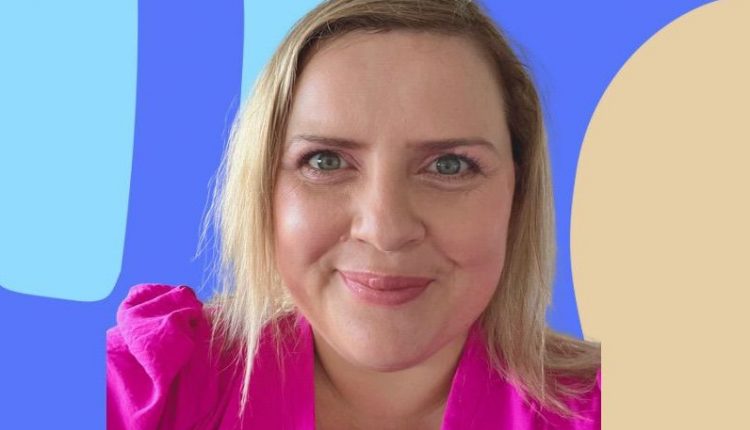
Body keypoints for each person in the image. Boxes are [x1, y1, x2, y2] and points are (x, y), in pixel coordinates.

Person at [106, 0, 601, 428]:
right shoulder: (149, 388)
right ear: (265, 187)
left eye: (449, 165)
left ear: (518, 192)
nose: (385, 230)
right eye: (325, 161)